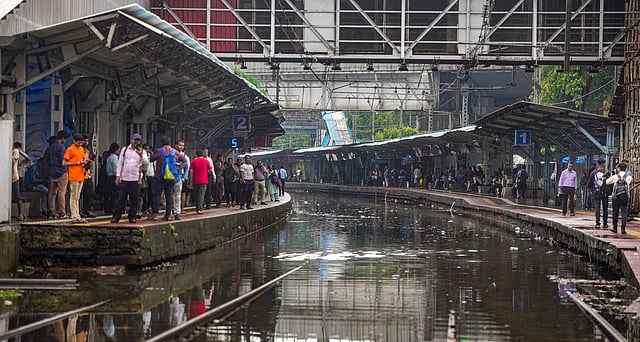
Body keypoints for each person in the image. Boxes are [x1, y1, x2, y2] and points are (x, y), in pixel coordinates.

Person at [111, 133, 149, 224]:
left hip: (135, 178)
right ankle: (116, 216)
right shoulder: (124, 150)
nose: (136, 142)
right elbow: (120, 163)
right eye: (135, 140)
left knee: (134, 199)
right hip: (125, 177)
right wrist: (118, 175)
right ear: (131, 140)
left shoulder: (142, 151)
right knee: (121, 198)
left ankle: (132, 216)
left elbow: (146, 161)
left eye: (138, 140)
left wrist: (140, 155)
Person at [149, 136, 188, 221]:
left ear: (162, 142)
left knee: (157, 195)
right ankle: (168, 215)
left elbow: (151, 159)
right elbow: (184, 160)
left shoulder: (159, 151)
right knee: (169, 196)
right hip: (171, 177)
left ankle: (155, 214)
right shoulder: (175, 152)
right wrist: (179, 168)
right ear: (170, 143)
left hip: (159, 177)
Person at [64, 135, 88, 223]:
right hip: (73, 175)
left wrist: (85, 162)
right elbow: (64, 162)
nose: (80, 143)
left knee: (77, 196)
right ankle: (74, 215)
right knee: (74, 196)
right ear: (74, 141)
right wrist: (76, 163)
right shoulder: (70, 149)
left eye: (81, 142)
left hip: (81, 175)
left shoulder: (81, 149)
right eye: (78, 141)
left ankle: (77, 214)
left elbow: (83, 159)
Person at [48, 131, 69, 219]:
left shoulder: (51, 147)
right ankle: (62, 212)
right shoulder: (61, 147)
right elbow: (62, 160)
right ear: (63, 138)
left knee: (52, 193)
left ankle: (52, 211)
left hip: (53, 171)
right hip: (61, 171)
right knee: (62, 192)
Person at [606, 163, 633, 234]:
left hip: (616, 197)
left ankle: (615, 228)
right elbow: (630, 182)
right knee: (624, 213)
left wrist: (610, 177)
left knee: (615, 212)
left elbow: (607, 182)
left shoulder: (615, 177)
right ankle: (623, 229)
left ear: (618, 169)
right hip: (625, 197)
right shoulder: (629, 177)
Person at [586, 158, 611, 229]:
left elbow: (590, 183)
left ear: (597, 163)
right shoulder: (607, 173)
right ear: (603, 164)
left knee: (597, 207)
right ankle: (605, 223)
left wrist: (590, 191)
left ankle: (597, 222)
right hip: (605, 193)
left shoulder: (593, 173)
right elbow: (610, 183)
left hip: (596, 192)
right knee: (605, 208)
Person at [188, 149, 213, 214]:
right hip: (204, 180)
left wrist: (190, 181)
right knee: (201, 195)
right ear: (202, 154)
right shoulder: (206, 161)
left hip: (196, 180)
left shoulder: (193, 161)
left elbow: (191, 172)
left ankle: (197, 206)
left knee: (196, 194)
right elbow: (210, 170)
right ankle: (199, 208)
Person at [12, 142, 30, 221]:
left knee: (17, 195)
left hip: (15, 177)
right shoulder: (10, 152)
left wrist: (19, 151)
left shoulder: (16, 152)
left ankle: (21, 214)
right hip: (11, 176)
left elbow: (28, 159)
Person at [172, 140, 189, 220]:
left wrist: (184, 178)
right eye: (180, 145)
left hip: (179, 178)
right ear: (176, 145)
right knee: (170, 195)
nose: (181, 147)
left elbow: (187, 168)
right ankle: (171, 210)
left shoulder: (185, 156)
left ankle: (177, 212)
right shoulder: (171, 154)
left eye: (182, 145)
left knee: (178, 195)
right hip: (170, 177)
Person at [80, 134, 96, 218]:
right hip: (80, 174)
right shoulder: (79, 150)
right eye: (84, 141)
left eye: (87, 141)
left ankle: (87, 209)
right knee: (79, 194)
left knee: (89, 193)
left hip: (88, 174)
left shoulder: (87, 151)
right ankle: (80, 211)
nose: (86, 142)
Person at [104, 143, 120, 213]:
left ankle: (108, 208)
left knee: (109, 193)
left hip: (109, 177)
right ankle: (114, 207)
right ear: (116, 150)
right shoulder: (115, 157)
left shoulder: (109, 157)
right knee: (115, 193)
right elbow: (116, 168)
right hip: (114, 177)